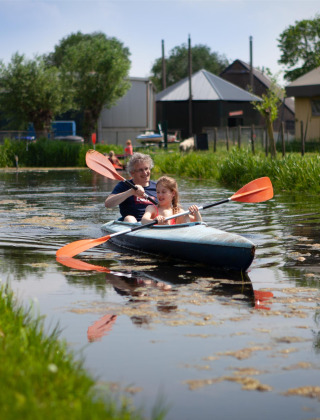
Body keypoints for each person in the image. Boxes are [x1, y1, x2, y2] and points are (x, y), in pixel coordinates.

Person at [105, 152, 157, 222]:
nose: (145, 173)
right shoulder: (123, 186)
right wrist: (131, 192)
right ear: (132, 173)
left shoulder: (157, 187)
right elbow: (108, 204)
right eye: (140, 170)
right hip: (131, 223)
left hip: (153, 222)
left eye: (146, 168)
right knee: (130, 218)